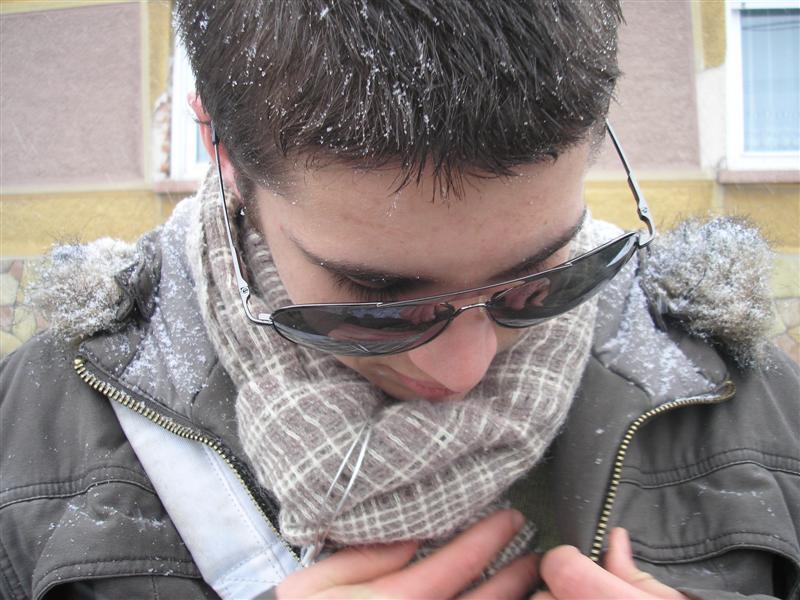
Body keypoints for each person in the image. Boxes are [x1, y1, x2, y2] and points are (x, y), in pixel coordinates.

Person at [1, 1, 798, 599]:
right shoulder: (38, 430)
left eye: (540, 277)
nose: (463, 368)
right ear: (222, 149)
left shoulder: (746, 396)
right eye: (378, 300)